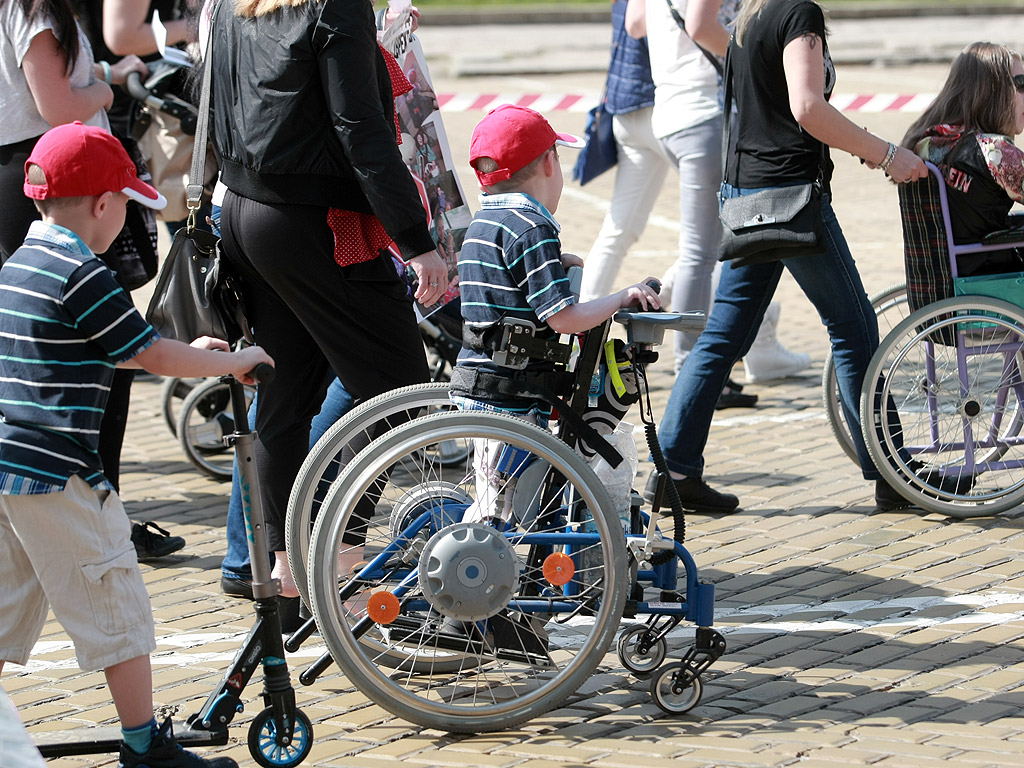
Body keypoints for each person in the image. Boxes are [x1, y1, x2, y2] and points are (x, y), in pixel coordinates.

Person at [0, 121, 272, 768]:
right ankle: (146, 749)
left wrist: (194, 355)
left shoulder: (21, 263)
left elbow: (92, 346)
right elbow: (148, 353)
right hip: (62, 473)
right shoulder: (82, 271)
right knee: (115, 602)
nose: (125, 218)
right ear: (100, 205)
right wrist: (233, 362)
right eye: (124, 203)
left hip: (10, 469)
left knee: (7, 604)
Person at [209, 0, 448, 602]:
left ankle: (287, 577)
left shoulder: (241, 6)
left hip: (247, 209)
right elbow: (361, 133)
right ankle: (336, 544)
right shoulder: (335, 3)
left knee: (285, 405)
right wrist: (417, 241)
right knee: (401, 394)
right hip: (312, 221)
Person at [655, 0, 928, 515]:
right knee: (852, 328)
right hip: (791, 197)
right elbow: (808, 109)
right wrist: (886, 153)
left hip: (747, 194)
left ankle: (675, 468)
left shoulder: (749, 18)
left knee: (721, 338)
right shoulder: (798, 13)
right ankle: (892, 473)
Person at [450, 104, 661, 488]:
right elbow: (563, 319)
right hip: (510, 393)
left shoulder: (483, 225)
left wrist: (554, 264)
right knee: (500, 510)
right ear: (550, 163)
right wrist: (619, 297)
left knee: (497, 493)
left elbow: (505, 284)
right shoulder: (531, 229)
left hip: (476, 379)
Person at [622, 0, 809, 400]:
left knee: (707, 244)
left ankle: (698, 347)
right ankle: (692, 369)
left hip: (671, 111)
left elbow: (635, 23)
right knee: (700, 252)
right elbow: (699, 23)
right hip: (700, 111)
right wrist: (756, 62)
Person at [903, 42, 1024, 269]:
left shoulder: (928, 144)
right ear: (994, 90)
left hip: (945, 275)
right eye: (1021, 84)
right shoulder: (995, 151)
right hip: (992, 278)